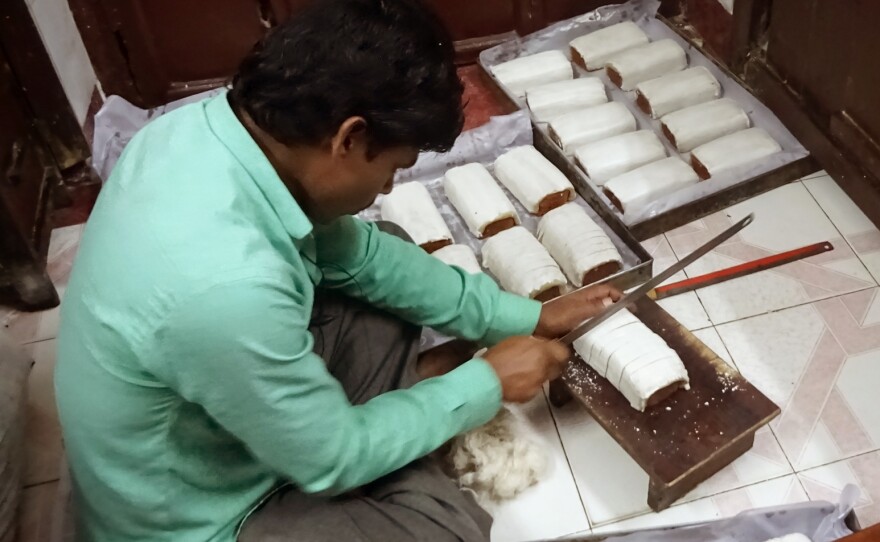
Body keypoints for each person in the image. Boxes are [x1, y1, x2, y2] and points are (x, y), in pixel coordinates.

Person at [54, 1, 620, 540]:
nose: (390, 186)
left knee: (387, 257)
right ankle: (384, 431)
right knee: (441, 530)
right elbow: (332, 461)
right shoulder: (224, 287)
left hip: (217, 404)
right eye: (393, 167)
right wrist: (485, 383)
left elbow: (364, 257)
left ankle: (381, 423)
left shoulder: (196, 129)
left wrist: (522, 316)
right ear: (348, 139)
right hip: (194, 511)